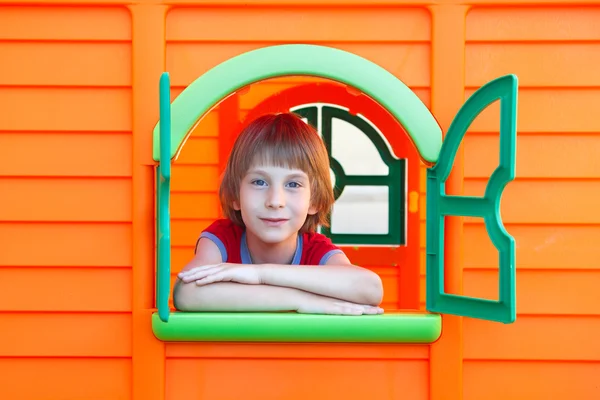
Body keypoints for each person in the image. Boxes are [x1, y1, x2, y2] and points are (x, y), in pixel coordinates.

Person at [173, 112, 384, 316]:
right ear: (235, 194)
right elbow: (186, 293)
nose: (275, 201)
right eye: (259, 182)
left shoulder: (316, 250)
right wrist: (300, 300)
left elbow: (370, 289)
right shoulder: (222, 239)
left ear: (314, 200)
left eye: (293, 184)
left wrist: (260, 274)